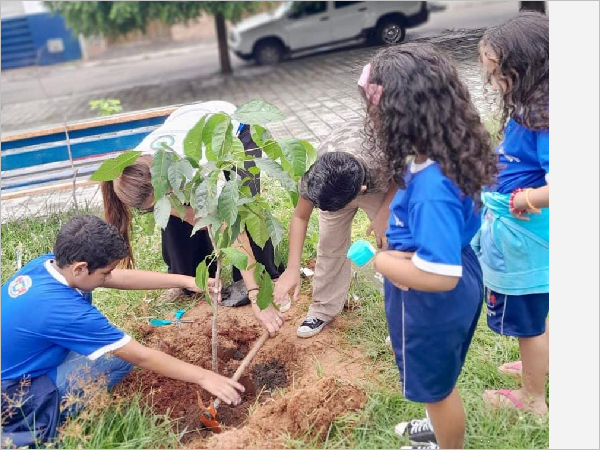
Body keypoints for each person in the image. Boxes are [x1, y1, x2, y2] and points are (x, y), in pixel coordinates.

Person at [1, 215, 245, 448]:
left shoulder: (48, 266)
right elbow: (140, 356)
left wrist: (186, 281)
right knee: (114, 361)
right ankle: (40, 419)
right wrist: (205, 377)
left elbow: (119, 277)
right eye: (104, 272)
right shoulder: (64, 310)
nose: (108, 277)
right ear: (80, 268)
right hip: (14, 395)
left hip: (17, 365)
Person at [365, 44, 497, 449]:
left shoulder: (432, 187)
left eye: (374, 108)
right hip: (443, 271)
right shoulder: (436, 156)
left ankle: (447, 442)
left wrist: (383, 262)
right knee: (437, 375)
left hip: (433, 297)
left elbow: (439, 277)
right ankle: (436, 428)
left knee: (435, 389)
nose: (370, 117)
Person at [101, 101, 285, 335]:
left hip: (233, 132)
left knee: (245, 211)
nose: (162, 205)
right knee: (176, 221)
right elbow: (184, 212)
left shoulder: (196, 166)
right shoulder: (130, 172)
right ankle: (190, 279)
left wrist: (255, 294)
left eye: (161, 198)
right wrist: (185, 213)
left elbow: (232, 226)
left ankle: (261, 276)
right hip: (184, 124)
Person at [472, 11, 549, 416]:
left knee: (529, 322)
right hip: (529, 233)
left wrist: (525, 200)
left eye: (497, 71)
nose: (492, 81)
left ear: (527, 68)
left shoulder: (548, 121)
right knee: (541, 308)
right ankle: (539, 364)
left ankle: (533, 399)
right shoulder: (535, 106)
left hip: (528, 234)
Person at [273, 119, 397, 338]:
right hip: (342, 180)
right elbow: (300, 216)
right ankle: (322, 309)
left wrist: (384, 215)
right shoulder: (316, 174)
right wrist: (292, 268)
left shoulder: (383, 159)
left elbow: (404, 177)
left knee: (393, 241)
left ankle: (402, 319)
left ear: (361, 190)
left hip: (383, 183)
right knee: (330, 245)